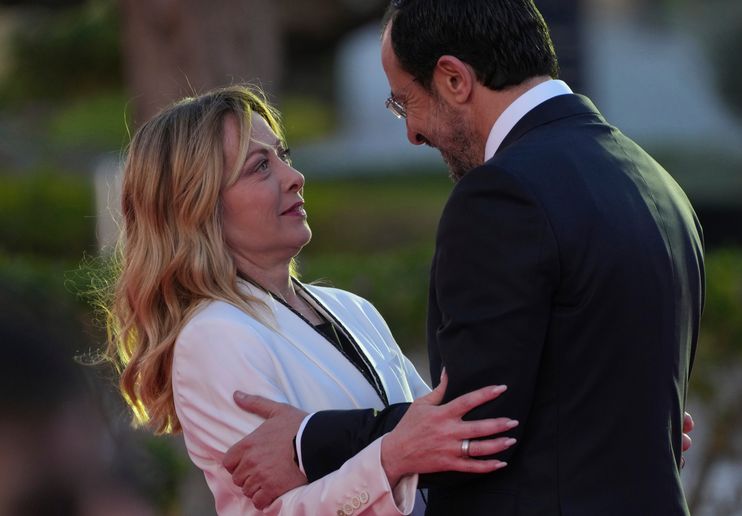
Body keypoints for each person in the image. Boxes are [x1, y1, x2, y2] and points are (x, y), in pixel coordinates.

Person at [226, 0, 705, 514]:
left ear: (454, 79)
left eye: (404, 102)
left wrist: (306, 441)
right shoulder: (658, 183)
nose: (411, 133)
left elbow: (471, 425)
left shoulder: (503, 194)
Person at [103, 85, 522, 516]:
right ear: (197, 206)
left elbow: (435, 431)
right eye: (260, 167)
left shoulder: (350, 308)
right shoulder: (213, 335)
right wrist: (392, 458)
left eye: (283, 156)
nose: (293, 177)